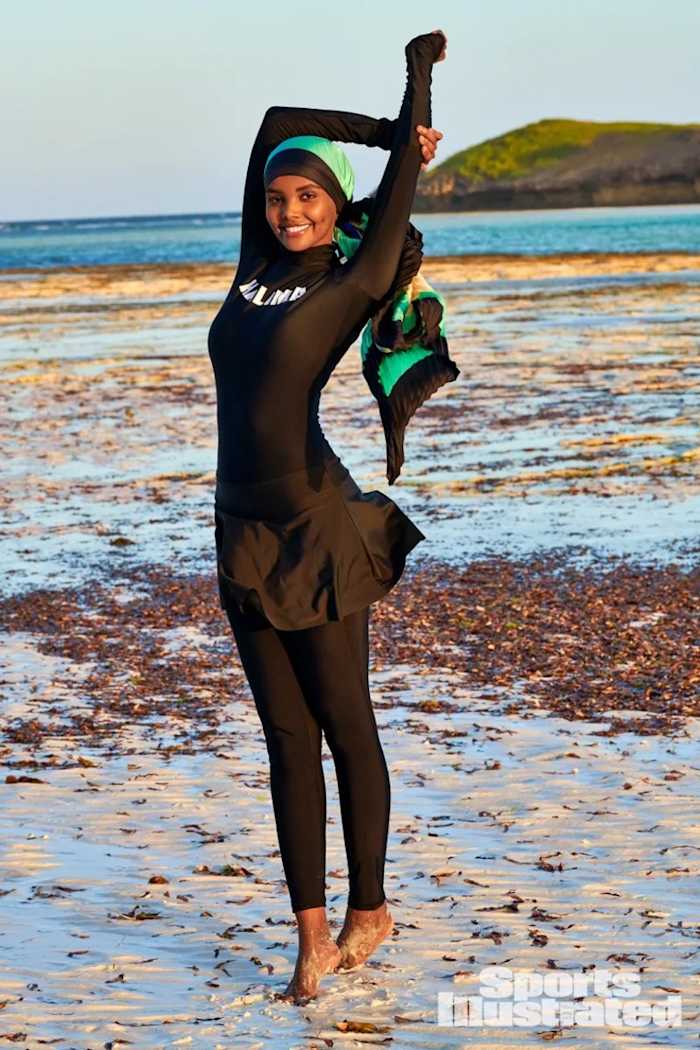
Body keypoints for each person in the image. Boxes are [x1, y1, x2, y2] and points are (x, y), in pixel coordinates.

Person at [207, 28, 448, 1004]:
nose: (291, 208)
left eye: (309, 195)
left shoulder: (346, 280)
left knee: (345, 723)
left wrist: (411, 103)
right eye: (279, 195)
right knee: (281, 737)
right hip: (240, 530)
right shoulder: (248, 267)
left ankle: (371, 908)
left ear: (337, 205)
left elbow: (387, 212)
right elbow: (275, 125)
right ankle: (309, 936)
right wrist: (380, 128)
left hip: (316, 527)